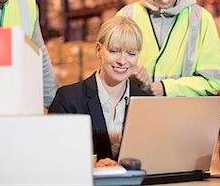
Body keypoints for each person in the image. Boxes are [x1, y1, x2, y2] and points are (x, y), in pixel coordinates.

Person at [117, 0, 220, 97]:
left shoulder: (201, 19)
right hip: (137, 112)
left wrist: (167, 88)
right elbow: (108, 73)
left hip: (183, 114)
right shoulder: (126, 16)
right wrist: (129, 77)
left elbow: (213, 82)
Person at [48, 16, 150, 167]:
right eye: (114, 51)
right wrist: (90, 167)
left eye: (131, 53)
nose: (122, 61)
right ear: (98, 50)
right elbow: (51, 155)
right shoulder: (68, 99)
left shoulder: (146, 103)